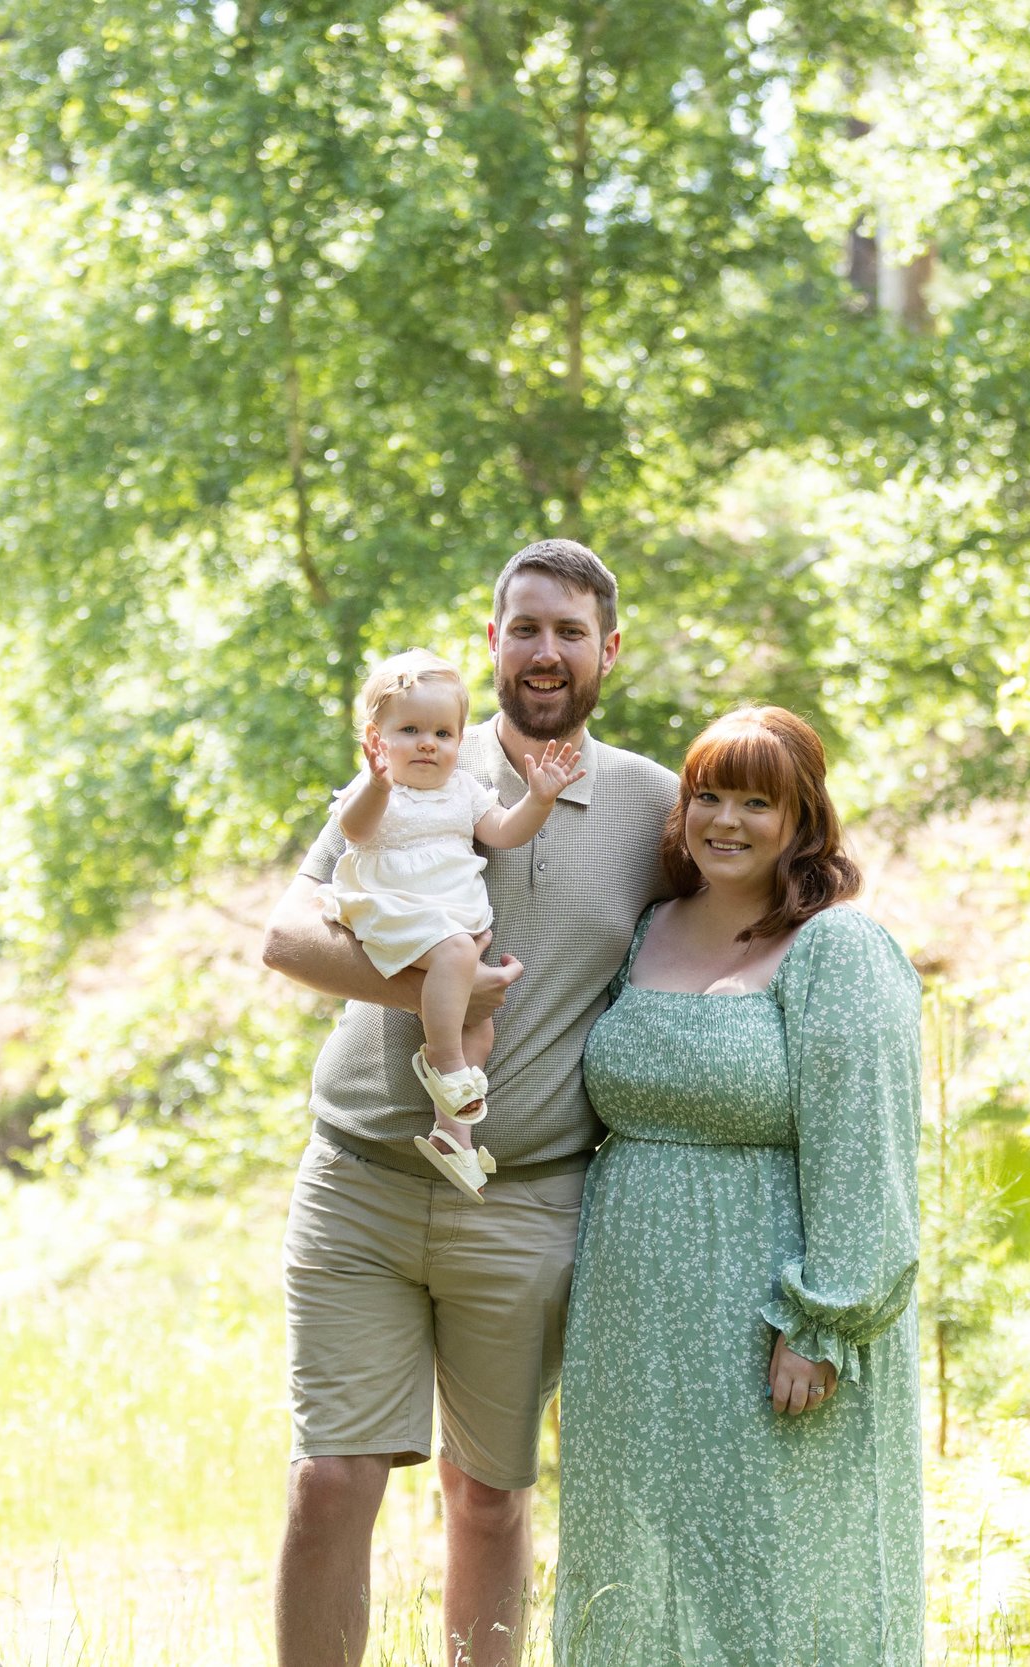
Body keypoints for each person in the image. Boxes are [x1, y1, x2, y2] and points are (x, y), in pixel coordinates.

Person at [260, 540, 678, 1667]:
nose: (546, 651)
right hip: (360, 1183)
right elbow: (288, 934)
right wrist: (433, 984)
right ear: (492, 639)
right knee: (331, 1476)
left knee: (486, 1498)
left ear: (609, 650)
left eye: (570, 631)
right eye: (525, 627)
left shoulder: (655, 806)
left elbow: (751, 912)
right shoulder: (414, 759)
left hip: (527, 1201)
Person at [553, 706, 925, 1667]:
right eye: (708, 795)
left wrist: (821, 1322)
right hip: (635, 1325)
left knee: (779, 1567)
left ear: (802, 816)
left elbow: (866, 1154)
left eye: (757, 800)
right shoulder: (646, 930)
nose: (726, 819)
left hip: (769, 1320)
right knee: (638, 1560)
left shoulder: (837, 949)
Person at [316, 647, 586, 1195]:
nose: (426, 743)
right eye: (410, 729)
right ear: (376, 739)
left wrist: (539, 799)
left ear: (459, 743)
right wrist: (376, 783)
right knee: (460, 954)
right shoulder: (379, 790)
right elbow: (357, 831)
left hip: (445, 925)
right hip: (391, 911)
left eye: (442, 734)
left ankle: (452, 1135)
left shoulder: (463, 791)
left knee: (479, 1029)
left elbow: (506, 831)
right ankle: (441, 1062)